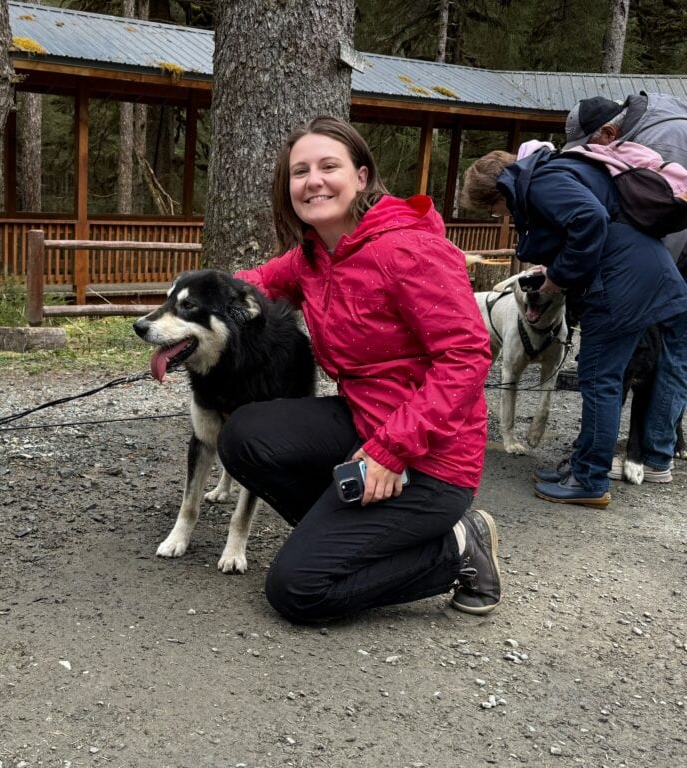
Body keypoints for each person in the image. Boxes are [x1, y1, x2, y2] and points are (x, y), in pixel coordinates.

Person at [215, 116, 498, 624]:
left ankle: (458, 546)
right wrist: (194, 313)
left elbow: (467, 356)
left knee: (298, 590)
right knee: (244, 434)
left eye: (329, 166)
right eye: (299, 172)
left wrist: (391, 451)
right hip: (363, 423)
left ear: (362, 177)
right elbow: (252, 283)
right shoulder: (314, 256)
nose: (313, 181)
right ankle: (343, 536)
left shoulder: (408, 248)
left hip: (431, 458)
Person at [461, 147, 687, 506]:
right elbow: (586, 228)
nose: (499, 216)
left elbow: (590, 220)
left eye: (494, 210)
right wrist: (554, 270)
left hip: (622, 286)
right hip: (635, 277)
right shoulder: (552, 175)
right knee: (604, 378)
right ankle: (582, 466)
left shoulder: (541, 183)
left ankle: (589, 480)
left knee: (599, 379)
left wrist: (560, 276)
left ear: (499, 193)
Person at [564, 94, 687, 483]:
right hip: (674, 260)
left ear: (609, 131)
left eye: (590, 147)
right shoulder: (652, 126)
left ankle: (652, 456)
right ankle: (653, 450)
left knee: (668, 352)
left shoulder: (663, 139)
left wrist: (630, 287)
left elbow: (667, 226)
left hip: (678, 260)